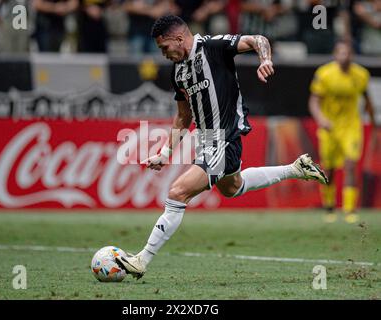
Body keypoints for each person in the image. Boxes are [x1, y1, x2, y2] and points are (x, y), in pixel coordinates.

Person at [116, 15, 328, 279]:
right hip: (206, 140)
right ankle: (296, 168)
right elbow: (184, 116)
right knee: (232, 187)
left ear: (179, 38)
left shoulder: (213, 46)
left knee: (177, 192)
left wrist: (265, 59)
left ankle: (142, 259)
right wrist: (165, 153)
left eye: (164, 48)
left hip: (224, 137)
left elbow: (258, 39)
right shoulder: (179, 72)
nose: (164, 54)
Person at [308, 40, 376, 224]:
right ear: (335, 55)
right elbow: (314, 101)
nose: (344, 57)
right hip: (329, 126)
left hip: (351, 126)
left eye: (347, 53)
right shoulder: (324, 74)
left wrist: (374, 122)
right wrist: (321, 119)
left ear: (352, 55)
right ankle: (329, 206)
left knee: (350, 164)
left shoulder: (361, 74)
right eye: (341, 53)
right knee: (329, 168)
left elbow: (367, 98)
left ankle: (349, 209)